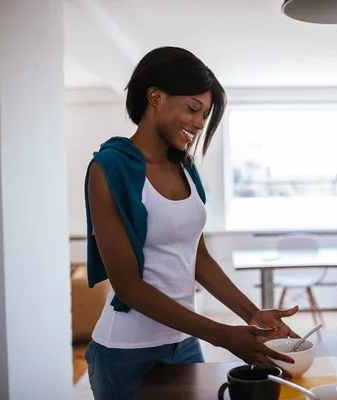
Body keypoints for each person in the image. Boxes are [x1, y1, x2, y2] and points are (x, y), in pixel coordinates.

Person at [84, 46, 300, 400]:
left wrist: (252, 314)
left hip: (183, 342)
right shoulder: (109, 168)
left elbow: (197, 258)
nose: (200, 124)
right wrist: (221, 334)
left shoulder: (185, 167)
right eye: (193, 109)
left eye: (205, 115)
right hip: (124, 350)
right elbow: (126, 285)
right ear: (155, 96)